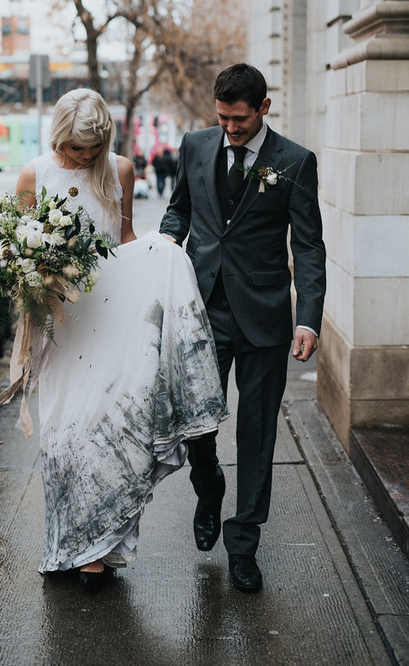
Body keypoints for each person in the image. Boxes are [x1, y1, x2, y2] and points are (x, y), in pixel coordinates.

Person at [14, 89, 228, 589]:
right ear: (58, 138)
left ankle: (101, 550)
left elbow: (125, 238)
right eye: (75, 149)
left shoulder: (121, 169)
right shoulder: (34, 174)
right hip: (64, 324)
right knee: (64, 434)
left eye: (93, 149)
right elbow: (22, 250)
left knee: (112, 428)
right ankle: (67, 546)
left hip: (116, 318)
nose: (84, 157)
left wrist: (159, 260)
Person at [160, 63, 326, 593]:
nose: (231, 129)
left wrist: (308, 318)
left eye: (241, 120)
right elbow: (178, 212)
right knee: (196, 424)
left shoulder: (295, 161)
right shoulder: (195, 145)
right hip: (202, 308)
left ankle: (244, 541)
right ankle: (209, 486)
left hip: (265, 316)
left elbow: (308, 246)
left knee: (257, 433)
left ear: (263, 108)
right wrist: (166, 245)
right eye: (223, 119)